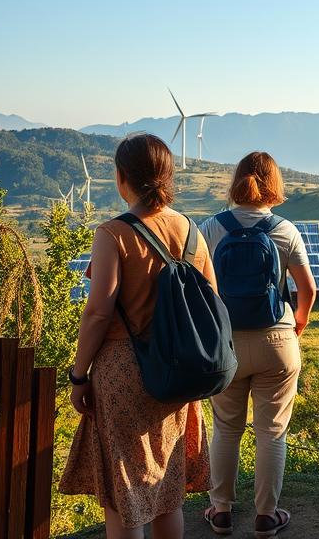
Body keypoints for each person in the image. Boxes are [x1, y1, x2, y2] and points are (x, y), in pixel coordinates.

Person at [60, 133, 214, 539]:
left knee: (122, 493)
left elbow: (97, 313)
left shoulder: (112, 234)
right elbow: (211, 300)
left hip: (123, 371)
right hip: (179, 373)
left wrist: (78, 376)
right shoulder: (190, 231)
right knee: (166, 489)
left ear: (121, 177)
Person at [199, 152, 317, 538]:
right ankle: (267, 515)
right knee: (271, 432)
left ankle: (220, 512)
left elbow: (197, 287)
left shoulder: (211, 228)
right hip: (277, 340)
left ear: (237, 183)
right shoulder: (286, 230)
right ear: (274, 185)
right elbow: (307, 289)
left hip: (226, 345)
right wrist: (297, 324)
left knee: (226, 429)